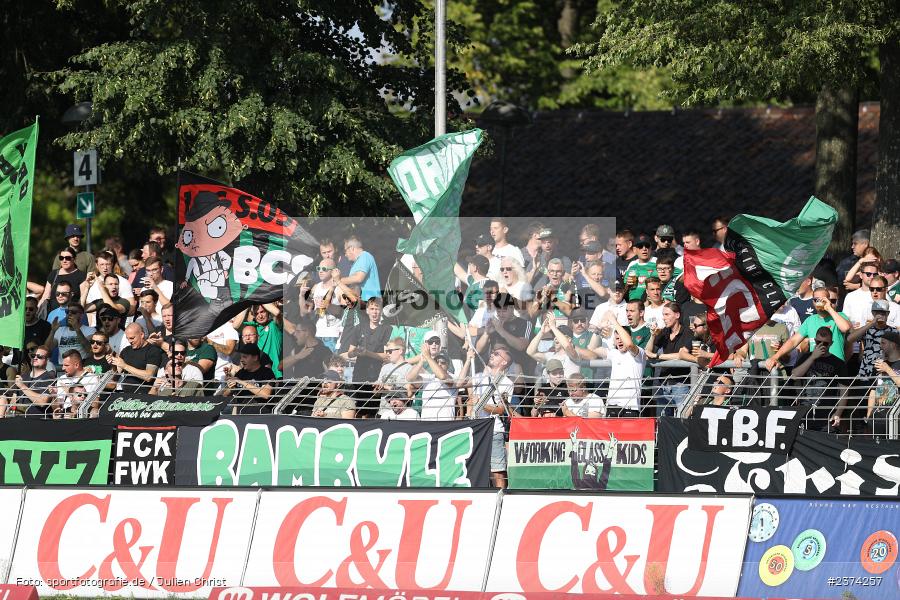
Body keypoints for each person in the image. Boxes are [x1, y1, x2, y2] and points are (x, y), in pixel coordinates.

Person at [765, 286, 852, 370]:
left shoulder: (839, 316)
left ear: (828, 300)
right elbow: (793, 341)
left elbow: (845, 328)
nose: (819, 302)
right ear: (813, 302)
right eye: (816, 300)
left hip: (835, 368)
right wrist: (775, 357)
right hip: (816, 370)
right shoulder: (810, 320)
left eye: (823, 300)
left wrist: (829, 308)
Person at [467, 344, 514, 487]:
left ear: (504, 362)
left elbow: (501, 409)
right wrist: (469, 360)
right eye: (492, 352)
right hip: (476, 426)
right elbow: (467, 387)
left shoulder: (507, 383)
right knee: (478, 469)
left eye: (497, 354)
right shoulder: (479, 377)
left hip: (494, 429)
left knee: (498, 470)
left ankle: (502, 498)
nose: (492, 355)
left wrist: (480, 403)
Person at [589, 310, 645, 417]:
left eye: (621, 338)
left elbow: (629, 344)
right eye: (617, 338)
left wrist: (614, 321)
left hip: (630, 407)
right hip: (612, 406)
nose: (619, 341)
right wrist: (598, 330)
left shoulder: (639, 352)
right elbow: (592, 348)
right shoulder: (614, 353)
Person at [790, 327, 847, 430]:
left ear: (831, 343)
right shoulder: (805, 357)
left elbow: (844, 391)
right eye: (818, 342)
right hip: (805, 408)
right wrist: (812, 357)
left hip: (827, 410)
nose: (821, 345)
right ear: (815, 341)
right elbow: (794, 375)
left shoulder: (838, 363)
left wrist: (838, 413)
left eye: (825, 343)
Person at [646, 302, 693, 416]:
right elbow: (648, 352)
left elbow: (680, 355)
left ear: (677, 315)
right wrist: (653, 335)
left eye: (667, 314)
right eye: (663, 315)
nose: (664, 318)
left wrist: (658, 356)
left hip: (681, 384)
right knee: (663, 423)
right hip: (664, 383)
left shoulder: (688, 332)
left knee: (682, 419)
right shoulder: (664, 332)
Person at [846, 300, 898, 381]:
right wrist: (871, 323)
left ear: (888, 314)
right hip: (866, 373)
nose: (880, 315)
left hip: (886, 373)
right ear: (873, 313)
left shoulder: (894, 331)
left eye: (883, 313)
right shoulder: (866, 330)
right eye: (877, 313)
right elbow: (850, 339)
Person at [0, 345, 56, 418]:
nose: (35, 358)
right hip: (18, 420)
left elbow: (42, 402)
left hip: (38, 421)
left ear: (47, 360)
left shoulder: (49, 377)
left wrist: (22, 386)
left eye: (39, 357)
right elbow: (14, 400)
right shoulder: (22, 377)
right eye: (33, 355)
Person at [110, 323, 165, 393]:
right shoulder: (126, 350)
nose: (130, 341)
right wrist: (113, 364)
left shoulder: (152, 351)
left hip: (145, 395)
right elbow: (117, 375)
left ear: (142, 335)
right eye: (128, 338)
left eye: (132, 338)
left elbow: (149, 376)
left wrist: (125, 366)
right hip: (126, 394)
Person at [223, 343, 275, 414]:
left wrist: (242, 382)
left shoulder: (267, 373)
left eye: (245, 357)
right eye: (241, 357)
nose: (241, 360)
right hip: (240, 417)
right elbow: (225, 394)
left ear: (255, 358)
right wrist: (230, 387)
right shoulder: (241, 373)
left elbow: (266, 394)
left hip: (261, 418)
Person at [865, 331, 900, 437]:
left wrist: (887, 369)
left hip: (896, 415)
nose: (880, 346)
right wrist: (869, 415)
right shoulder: (879, 364)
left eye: (883, 343)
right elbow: (873, 391)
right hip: (878, 417)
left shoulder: (885, 366)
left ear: (893, 345)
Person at [309, 257, 342, 351]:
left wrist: (327, 306)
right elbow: (310, 311)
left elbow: (343, 311)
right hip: (317, 335)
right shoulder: (316, 287)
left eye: (324, 269)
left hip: (332, 335)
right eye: (318, 269)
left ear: (333, 271)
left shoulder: (339, 288)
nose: (320, 271)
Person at [38, 248, 86, 313]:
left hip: (71, 315)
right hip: (52, 315)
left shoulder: (81, 275)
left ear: (74, 259)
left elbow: (83, 298)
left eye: (68, 258)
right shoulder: (54, 274)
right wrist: (36, 310)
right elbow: (45, 296)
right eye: (61, 258)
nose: (64, 260)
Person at [338, 236, 381, 302]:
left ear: (352, 248)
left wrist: (339, 281)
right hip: (361, 304)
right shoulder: (355, 264)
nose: (345, 255)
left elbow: (358, 278)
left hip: (371, 304)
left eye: (345, 251)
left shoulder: (365, 256)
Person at [623, 233, 657, 301]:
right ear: (635, 250)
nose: (644, 249)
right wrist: (627, 285)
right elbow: (624, 290)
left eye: (647, 246)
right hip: (633, 303)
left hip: (651, 304)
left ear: (650, 248)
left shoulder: (657, 262)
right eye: (640, 246)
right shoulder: (632, 265)